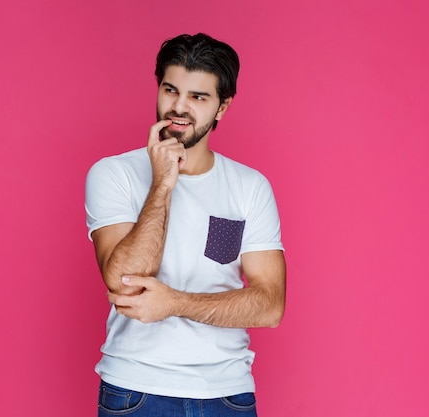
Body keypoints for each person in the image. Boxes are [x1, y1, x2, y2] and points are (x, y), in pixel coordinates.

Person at [85, 33, 286, 417]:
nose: (179, 107)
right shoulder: (114, 174)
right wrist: (163, 182)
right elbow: (125, 278)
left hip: (228, 395)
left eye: (198, 97)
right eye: (171, 90)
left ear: (222, 108)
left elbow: (269, 305)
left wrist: (173, 303)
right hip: (135, 392)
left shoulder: (249, 187)